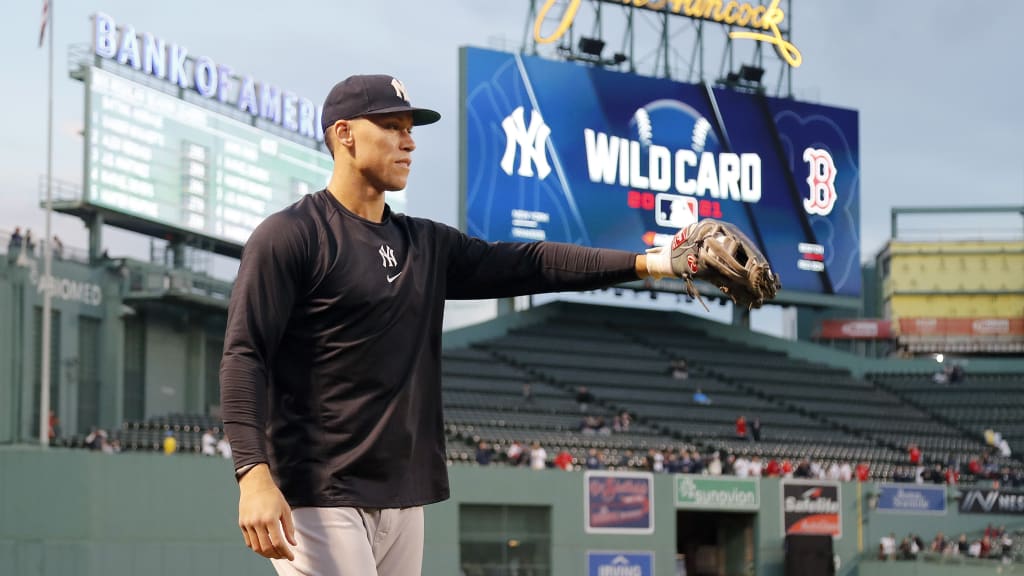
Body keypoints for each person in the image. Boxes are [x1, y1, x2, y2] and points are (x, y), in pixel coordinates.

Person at [218, 74, 693, 576]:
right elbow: (245, 355)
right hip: (319, 493)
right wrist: (253, 473)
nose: (409, 141)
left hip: (403, 497)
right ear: (344, 133)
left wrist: (653, 263)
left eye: (410, 128)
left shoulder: (425, 244)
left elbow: (531, 262)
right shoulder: (291, 235)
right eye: (392, 126)